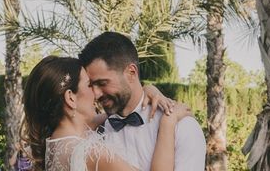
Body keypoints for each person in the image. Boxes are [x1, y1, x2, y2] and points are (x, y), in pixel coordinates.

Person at [21, 55, 193, 171]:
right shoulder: (91, 152)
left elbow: (118, 111)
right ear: (71, 98)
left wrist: (146, 90)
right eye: (89, 85)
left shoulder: (54, 143)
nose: (96, 93)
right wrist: (168, 122)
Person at [78, 32, 206, 171]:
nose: (96, 95)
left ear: (131, 73)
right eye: (92, 85)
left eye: (102, 83)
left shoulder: (181, 127)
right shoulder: (98, 131)